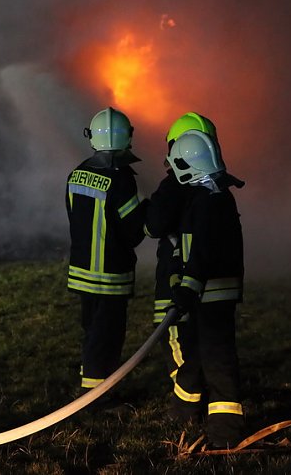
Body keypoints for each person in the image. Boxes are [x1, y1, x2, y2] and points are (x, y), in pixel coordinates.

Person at [163, 129, 246, 449]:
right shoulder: (212, 195)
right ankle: (184, 412)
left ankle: (225, 431)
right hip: (206, 292)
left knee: (217, 359)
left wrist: (188, 286)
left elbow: (201, 251)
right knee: (197, 353)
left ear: (186, 164)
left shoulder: (208, 201)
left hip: (211, 292)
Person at [66, 107, 146, 393]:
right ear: (127, 137)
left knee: (92, 330)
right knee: (108, 335)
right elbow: (134, 229)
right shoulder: (122, 179)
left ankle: (91, 377)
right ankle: (97, 394)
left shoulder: (77, 174)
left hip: (82, 272)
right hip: (111, 275)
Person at [144, 113, 220, 385]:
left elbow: (154, 226)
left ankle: (186, 395)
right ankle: (204, 388)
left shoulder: (175, 185)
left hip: (175, 277)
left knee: (173, 333)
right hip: (209, 283)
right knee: (207, 338)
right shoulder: (217, 188)